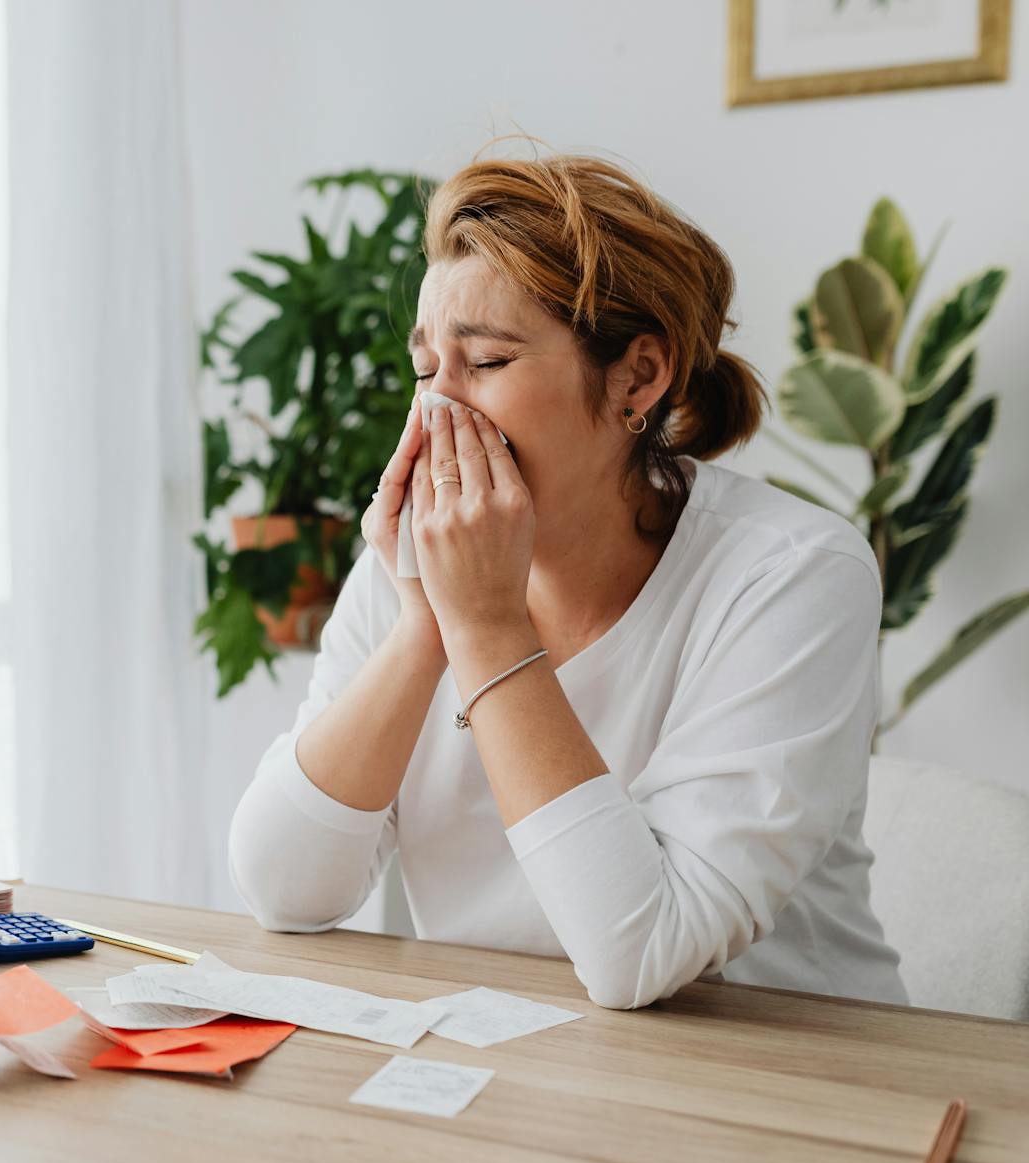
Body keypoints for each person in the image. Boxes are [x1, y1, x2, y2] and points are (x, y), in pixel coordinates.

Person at [227, 150, 907, 1010]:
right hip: (521, 1078)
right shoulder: (414, 566)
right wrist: (424, 627)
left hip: (796, 1087)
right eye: (427, 369)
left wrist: (487, 630)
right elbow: (283, 892)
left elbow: (644, 953)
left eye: (487, 363)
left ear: (639, 377)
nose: (439, 411)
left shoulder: (793, 577)